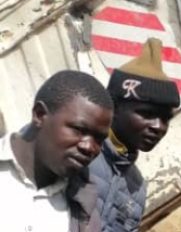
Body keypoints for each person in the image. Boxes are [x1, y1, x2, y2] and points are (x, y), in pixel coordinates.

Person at [70, 37, 180, 232]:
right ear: (114, 107)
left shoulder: (137, 188)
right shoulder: (73, 151)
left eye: (165, 119)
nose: (158, 127)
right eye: (147, 114)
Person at [0, 70, 113, 232]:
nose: (90, 147)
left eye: (99, 139)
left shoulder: (83, 208)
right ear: (40, 115)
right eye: (79, 129)